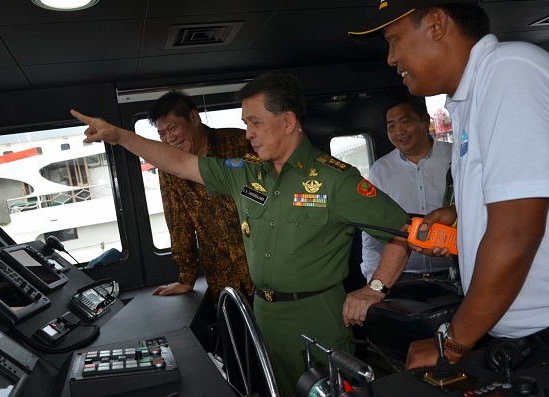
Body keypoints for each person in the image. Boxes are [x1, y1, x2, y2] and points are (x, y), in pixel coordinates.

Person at [72, 71, 411, 397]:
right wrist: (119, 136)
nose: (248, 133)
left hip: (316, 315)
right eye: (246, 123)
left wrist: (374, 288)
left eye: (255, 122)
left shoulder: (336, 180)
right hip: (263, 314)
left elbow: (402, 230)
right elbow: (177, 163)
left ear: (289, 122)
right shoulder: (245, 174)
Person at [349, 0, 549, 369]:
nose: (391, 58)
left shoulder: (509, 73)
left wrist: (450, 344)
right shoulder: (470, 98)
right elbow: (515, 200)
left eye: (394, 40)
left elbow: (517, 231)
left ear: (436, 24)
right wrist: (457, 215)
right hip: (520, 333)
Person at [147, 91, 254, 304]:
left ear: (194, 118)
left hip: (265, 271)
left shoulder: (239, 144)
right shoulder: (169, 168)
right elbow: (179, 223)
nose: (169, 139)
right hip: (223, 281)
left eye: (172, 128)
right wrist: (186, 277)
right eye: (162, 134)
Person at [361, 94, 454, 283]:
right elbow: (372, 234)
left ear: (425, 120)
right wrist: (375, 284)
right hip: (403, 278)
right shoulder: (381, 170)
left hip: (454, 274)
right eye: (392, 126)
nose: (399, 131)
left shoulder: (454, 156)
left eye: (405, 122)